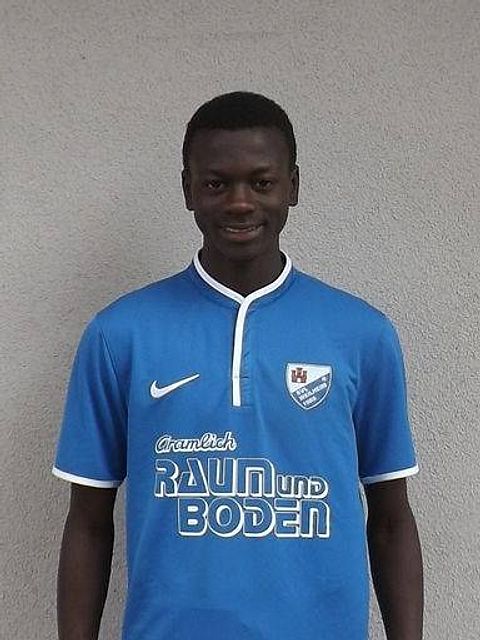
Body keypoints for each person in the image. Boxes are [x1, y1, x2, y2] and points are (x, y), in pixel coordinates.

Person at [53, 91, 423, 640]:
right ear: (188, 190)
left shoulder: (362, 335)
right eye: (216, 184)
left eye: (262, 182)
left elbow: (391, 521)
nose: (240, 202)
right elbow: (87, 522)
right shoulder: (119, 334)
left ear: (293, 186)